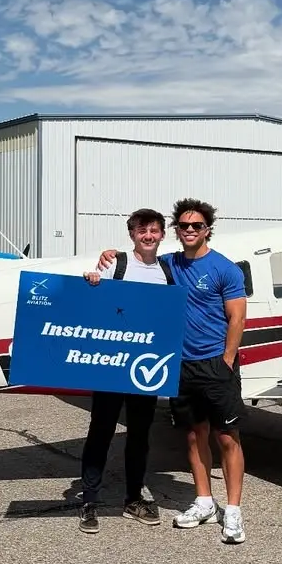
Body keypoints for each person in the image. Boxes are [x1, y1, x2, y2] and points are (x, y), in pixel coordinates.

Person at [98, 197, 248, 544]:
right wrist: (109, 256)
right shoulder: (168, 265)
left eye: (197, 225)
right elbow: (138, 260)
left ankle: (234, 510)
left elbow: (237, 317)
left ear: (208, 229)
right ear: (176, 231)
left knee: (227, 438)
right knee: (194, 436)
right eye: (184, 226)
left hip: (215, 363)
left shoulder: (226, 268)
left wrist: (227, 359)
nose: (190, 230)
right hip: (181, 364)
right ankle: (204, 501)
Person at [77, 207, 174, 534]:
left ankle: (133, 497)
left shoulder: (166, 271)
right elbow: (93, 301)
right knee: (101, 431)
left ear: (162, 235)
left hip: (146, 368)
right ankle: (89, 498)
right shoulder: (115, 263)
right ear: (132, 234)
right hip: (111, 365)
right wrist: (91, 281)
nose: (148, 236)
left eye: (154, 231)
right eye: (142, 230)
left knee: (139, 436)